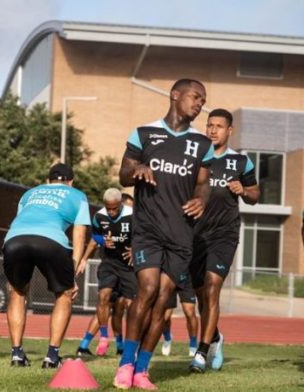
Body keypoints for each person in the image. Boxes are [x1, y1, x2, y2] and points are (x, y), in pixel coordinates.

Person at [114, 79, 214, 390]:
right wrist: (138, 169)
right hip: (148, 230)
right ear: (175, 95)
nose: (199, 104)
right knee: (146, 289)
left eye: (203, 99)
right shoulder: (144, 133)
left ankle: (142, 371)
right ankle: (125, 365)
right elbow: (123, 173)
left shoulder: (202, 145)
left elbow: (203, 183)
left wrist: (202, 199)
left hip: (182, 234)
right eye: (195, 97)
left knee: (162, 302)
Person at [189, 109, 259, 373]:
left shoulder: (241, 162)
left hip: (224, 234)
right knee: (200, 297)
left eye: (219, 126)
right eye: (209, 125)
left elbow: (255, 194)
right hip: (195, 234)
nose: (213, 130)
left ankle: (201, 352)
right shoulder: (196, 159)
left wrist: (244, 190)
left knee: (212, 287)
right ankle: (216, 337)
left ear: (230, 131)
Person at [4, 163, 89, 369]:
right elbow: (79, 233)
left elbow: (20, 220)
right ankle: (52, 356)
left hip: (14, 239)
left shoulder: (29, 194)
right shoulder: (77, 195)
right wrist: (73, 269)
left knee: (17, 292)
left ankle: (17, 354)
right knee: (64, 293)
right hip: (51, 240)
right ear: (70, 181)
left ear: (48, 181)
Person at [76, 188, 135, 357]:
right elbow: (95, 237)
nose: (111, 212)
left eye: (114, 208)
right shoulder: (99, 217)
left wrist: (135, 250)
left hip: (129, 267)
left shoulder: (133, 216)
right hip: (108, 264)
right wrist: (85, 259)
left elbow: (145, 235)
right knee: (104, 297)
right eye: (108, 208)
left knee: (124, 307)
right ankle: (102, 337)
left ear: (120, 204)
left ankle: (126, 346)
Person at [160, 291, 198, 356]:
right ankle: (167, 338)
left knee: (189, 313)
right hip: (170, 281)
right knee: (165, 316)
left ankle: (193, 344)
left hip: (185, 281)